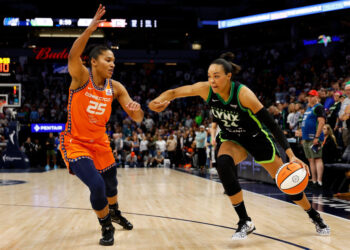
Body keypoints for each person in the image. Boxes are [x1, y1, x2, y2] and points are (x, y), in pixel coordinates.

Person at [149, 52, 330, 239]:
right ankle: (245, 221)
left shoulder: (243, 94)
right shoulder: (205, 90)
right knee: (223, 164)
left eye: (216, 76)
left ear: (229, 76)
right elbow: (174, 92)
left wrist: (290, 154)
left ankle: (313, 215)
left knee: (288, 184)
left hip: (256, 138)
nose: (212, 80)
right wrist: (158, 102)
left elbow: (271, 124)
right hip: (231, 138)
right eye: (209, 76)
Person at [59, 5, 144, 246]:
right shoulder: (81, 77)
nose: (112, 64)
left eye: (114, 60)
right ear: (93, 62)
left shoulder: (116, 87)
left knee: (111, 183)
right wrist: (89, 29)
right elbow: (72, 56)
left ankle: (114, 212)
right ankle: (106, 226)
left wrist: (138, 111)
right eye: (108, 60)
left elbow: (136, 116)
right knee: (96, 185)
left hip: (100, 143)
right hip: (75, 142)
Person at [301, 90, 326, 188]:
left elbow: (321, 122)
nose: (310, 98)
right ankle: (314, 180)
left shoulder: (318, 107)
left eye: (312, 96)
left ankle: (319, 181)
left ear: (317, 97)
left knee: (317, 158)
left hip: (314, 137)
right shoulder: (308, 108)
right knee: (310, 159)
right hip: (306, 138)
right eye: (309, 96)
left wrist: (316, 136)